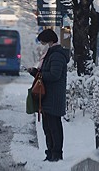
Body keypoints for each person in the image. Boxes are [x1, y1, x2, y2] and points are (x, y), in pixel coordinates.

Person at [27, 29, 69, 162]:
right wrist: (35, 72)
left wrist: (38, 74)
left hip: (54, 96)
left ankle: (56, 154)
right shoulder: (51, 53)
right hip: (48, 95)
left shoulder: (56, 55)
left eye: (43, 41)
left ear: (50, 40)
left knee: (54, 126)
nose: (42, 44)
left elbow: (54, 75)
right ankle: (50, 153)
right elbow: (47, 72)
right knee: (48, 127)